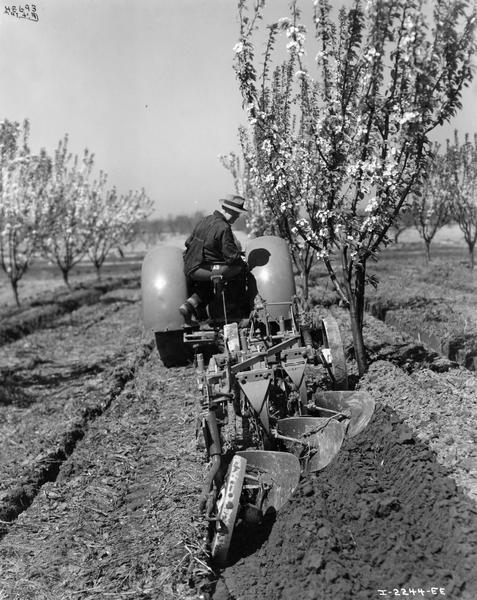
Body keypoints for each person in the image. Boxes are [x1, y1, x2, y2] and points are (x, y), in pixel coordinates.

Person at [179, 194, 248, 323]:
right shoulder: (224, 227)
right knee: (240, 268)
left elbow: (188, 243)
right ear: (228, 210)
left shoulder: (205, 220)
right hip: (204, 268)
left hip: (191, 267)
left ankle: (189, 305)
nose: (237, 217)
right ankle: (232, 309)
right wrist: (242, 258)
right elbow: (231, 256)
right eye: (236, 213)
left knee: (208, 287)